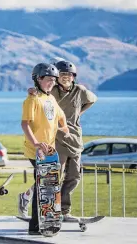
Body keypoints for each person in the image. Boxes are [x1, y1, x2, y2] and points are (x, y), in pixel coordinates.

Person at [18, 58, 97, 220]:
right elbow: (39, 93)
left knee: (74, 177)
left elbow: (92, 100)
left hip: (74, 139)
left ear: (74, 76)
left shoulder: (80, 91)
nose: (66, 77)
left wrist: (78, 114)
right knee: (53, 177)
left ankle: (63, 210)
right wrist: (31, 91)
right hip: (56, 140)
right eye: (62, 74)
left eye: (69, 74)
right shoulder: (52, 91)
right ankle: (40, 203)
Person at [20, 62, 69, 235]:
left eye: (53, 80)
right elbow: (25, 124)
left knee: (44, 185)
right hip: (36, 150)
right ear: (38, 79)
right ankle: (35, 226)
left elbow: (60, 116)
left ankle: (38, 222)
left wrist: (65, 127)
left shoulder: (51, 98)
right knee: (43, 185)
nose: (52, 83)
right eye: (48, 80)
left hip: (49, 151)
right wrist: (35, 143)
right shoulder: (32, 99)